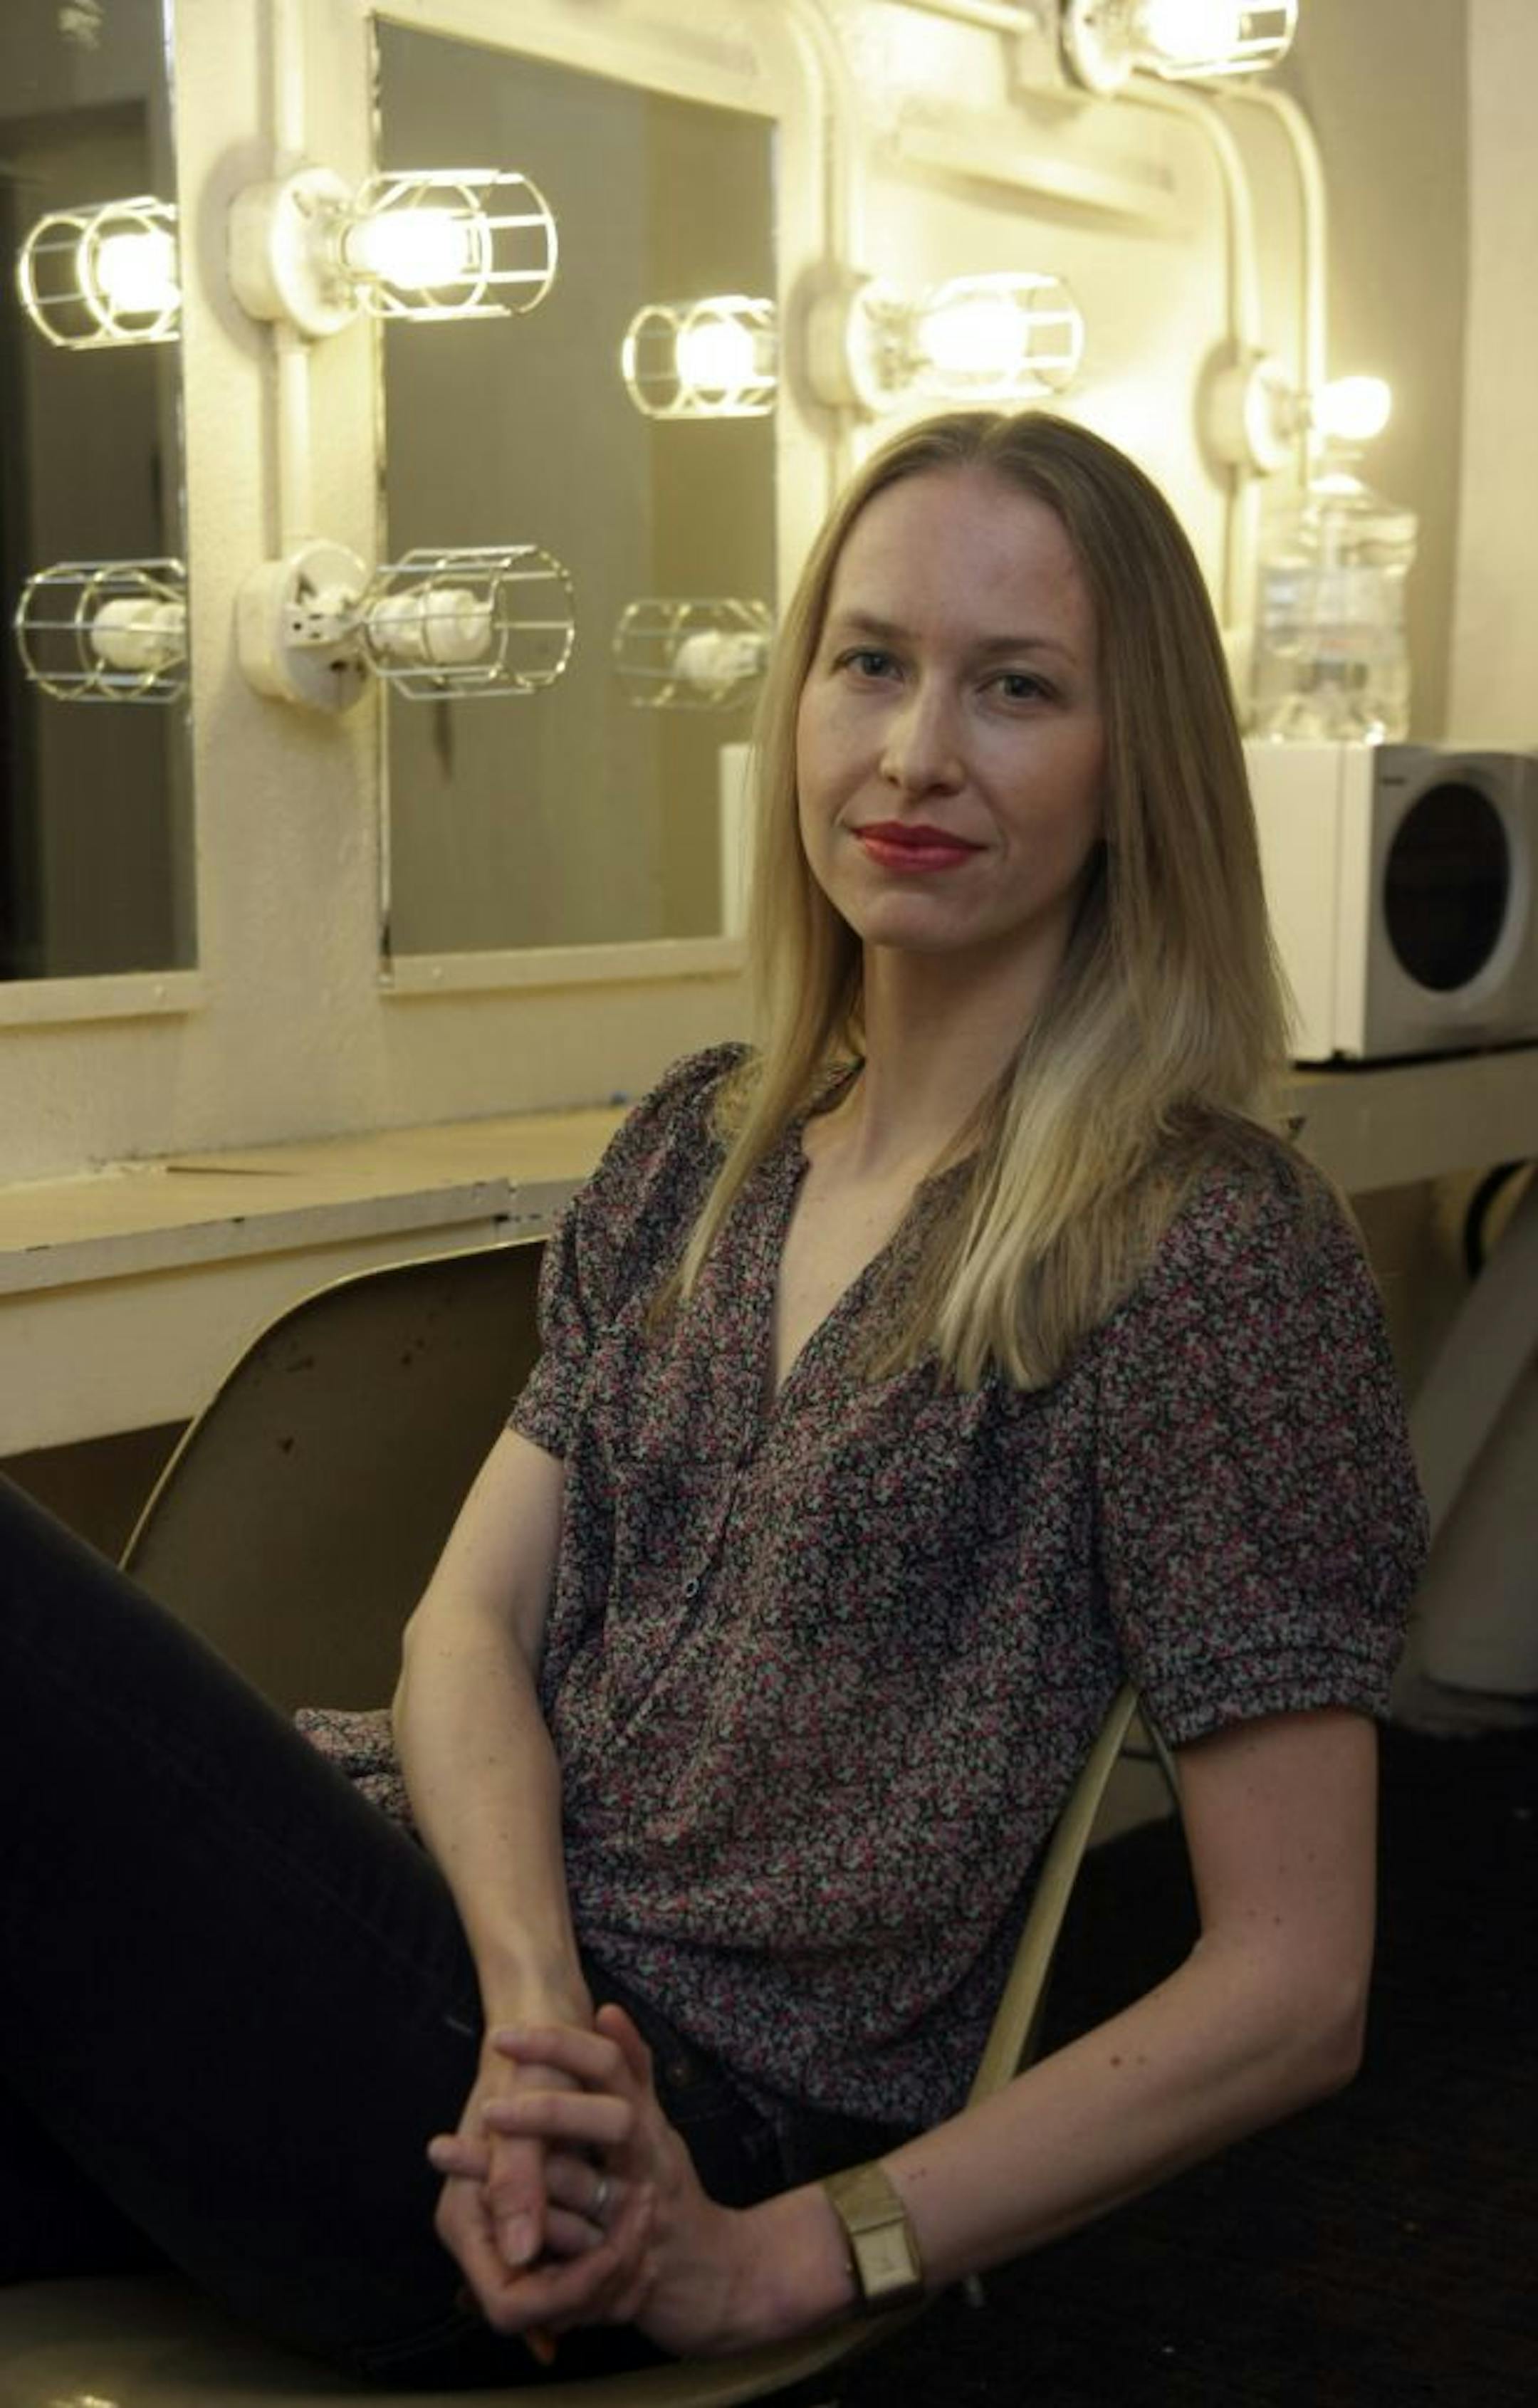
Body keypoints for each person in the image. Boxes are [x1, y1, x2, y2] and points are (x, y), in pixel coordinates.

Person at [0, 410, 1426, 2385]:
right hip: (471, 2010)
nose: (918, 752)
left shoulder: (1204, 1248)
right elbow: (463, 1633)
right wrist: (529, 2010)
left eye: (1016, 689)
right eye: (872, 663)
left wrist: (779, 2262)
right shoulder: (698, 1155)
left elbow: (1295, 1984)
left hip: (699, 2135)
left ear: (1138, 767)